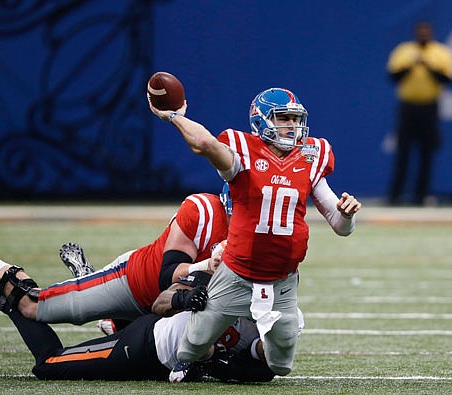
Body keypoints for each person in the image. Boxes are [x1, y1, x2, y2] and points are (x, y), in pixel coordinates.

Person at [148, 87, 362, 380]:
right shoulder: (242, 152)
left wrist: (347, 215)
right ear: (260, 122)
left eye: (295, 119)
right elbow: (204, 144)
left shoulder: (311, 155)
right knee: (192, 345)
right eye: (283, 118)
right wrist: (175, 117)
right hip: (236, 272)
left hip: (282, 280)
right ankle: (190, 360)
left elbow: (340, 226)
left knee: (281, 365)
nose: (292, 126)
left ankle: (237, 358)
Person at [0, 189, 230, 325]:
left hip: (166, 312)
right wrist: (209, 264)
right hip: (132, 283)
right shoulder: (203, 210)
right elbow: (168, 275)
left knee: (119, 332)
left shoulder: (264, 233)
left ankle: (95, 290)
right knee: (33, 305)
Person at [0, 280, 275, 382]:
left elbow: (251, 367)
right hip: (144, 345)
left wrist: (257, 353)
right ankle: (8, 297)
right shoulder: (223, 284)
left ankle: (110, 319)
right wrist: (184, 298)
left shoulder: (270, 324)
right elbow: (162, 301)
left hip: (158, 356)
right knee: (47, 365)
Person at [386, 21, 452, 206]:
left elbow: (448, 79)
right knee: (403, 153)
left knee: (427, 153)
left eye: (427, 31)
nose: (423, 34)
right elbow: (393, 76)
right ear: (416, 32)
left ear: (431, 33)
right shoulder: (405, 51)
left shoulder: (440, 52)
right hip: (408, 108)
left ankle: (421, 196)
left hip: (429, 108)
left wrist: (428, 66)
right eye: (421, 31)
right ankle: (395, 196)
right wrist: (412, 65)